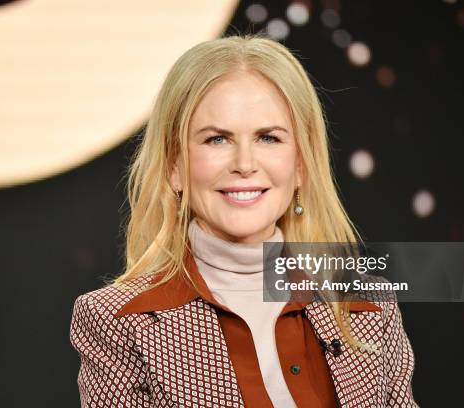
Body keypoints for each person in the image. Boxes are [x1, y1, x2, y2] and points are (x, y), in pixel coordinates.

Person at [69, 33, 418, 407]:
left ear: (301, 165)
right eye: (217, 139)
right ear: (174, 166)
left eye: (268, 138)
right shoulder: (116, 321)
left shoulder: (368, 305)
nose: (245, 164)